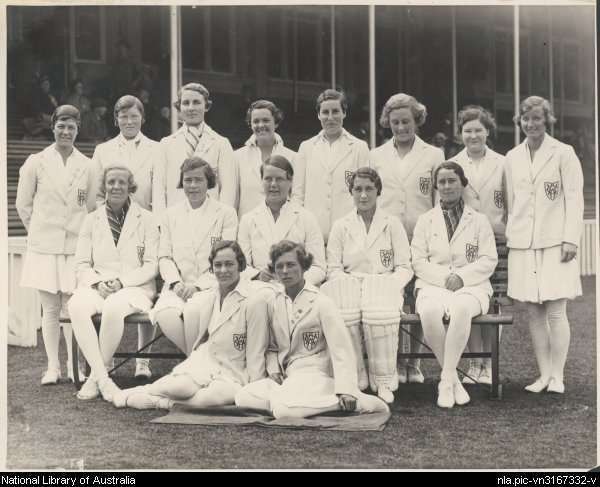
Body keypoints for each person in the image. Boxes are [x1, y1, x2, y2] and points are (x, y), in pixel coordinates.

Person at [234, 241, 389, 418]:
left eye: (291, 265)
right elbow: (272, 346)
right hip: (287, 375)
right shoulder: (275, 301)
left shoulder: (322, 302)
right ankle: (293, 399)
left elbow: (341, 350)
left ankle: (354, 403)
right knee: (243, 397)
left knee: (282, 411)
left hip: (315, 373)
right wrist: (274, 370)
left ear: (304, 267)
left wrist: (347, 390)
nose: (285, 271)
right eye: (279, 266)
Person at [112, 240, 270, 410]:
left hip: (236, 371)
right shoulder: (209, 297)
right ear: (212, 269)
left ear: (241, 265)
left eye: (229, 264)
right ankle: (145, 390)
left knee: (211, 398)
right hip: (206, 362)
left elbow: (256, 350)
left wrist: (255, 388)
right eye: (218, 265)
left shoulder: (254, 301)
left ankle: (160, 402)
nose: (223, 270)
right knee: (178, 388)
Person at [505, 96, 584, 394]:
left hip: (555, 242)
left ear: (547, 120)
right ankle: (543, 374)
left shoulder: (564, 153)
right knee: (534, 313)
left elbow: (574, 199)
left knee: (555, 311)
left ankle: (558, 376)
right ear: (519, 121)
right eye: (526, 119)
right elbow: (513, 201)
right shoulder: (513, 156)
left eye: (537, 118)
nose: (531, 123)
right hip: (524, 243)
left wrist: (570, 239)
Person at [16, 105, 97, 385]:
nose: (66, 132)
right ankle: (53, 367)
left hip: (75, 247)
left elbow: (90, 208)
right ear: (53, 128)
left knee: (71, 308)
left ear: (77, 130)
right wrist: (40, 234)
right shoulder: (35, 162)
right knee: (50, 309)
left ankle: (74, 365)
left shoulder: (87, 165)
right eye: (61, 126)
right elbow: (23, 205)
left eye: (71, 127)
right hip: (44, 247)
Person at [369, 92, 445, 383]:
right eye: (395, 122)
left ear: (417, 121)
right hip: (387, 238)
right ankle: (394, 363)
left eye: (406, 121)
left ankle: (413, 363)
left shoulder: (433, 155)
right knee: (393, 299)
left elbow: (438, 199)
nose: (401, 127)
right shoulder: (376, 155)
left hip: (421, 236)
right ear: (388, 122)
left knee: (420, 296)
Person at [67, 164, 159, 401]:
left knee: (114, 307)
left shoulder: (147, 219)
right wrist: (97, 283)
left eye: (121, 182)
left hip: (135, 288)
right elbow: (81, 264)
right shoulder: (91, 219)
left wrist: (121, 282)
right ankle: (104, 379)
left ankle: (93, 379)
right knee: (76, 305)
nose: (116, 187)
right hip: (98, 284)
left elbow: (151, 265)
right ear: (104, 186)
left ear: (131, 186)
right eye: (111, 182)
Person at [411, 161, 498, 408]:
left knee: (461, 309)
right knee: (428, 311)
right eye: (442, 182)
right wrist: (443, 278)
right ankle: (453, 381)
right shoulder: (425, 220)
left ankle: (445, 380)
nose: (447, 186)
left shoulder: (479, 220)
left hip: (472, 286)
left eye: (452, 181)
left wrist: (462, 277)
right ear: (436, 186)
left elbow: (489, 259)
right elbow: (418, 260)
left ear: (462, 184)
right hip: (433, 285)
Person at [92, 94, 166, 379]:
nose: (129, 121)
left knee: (144, 288)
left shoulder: (157, 149)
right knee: (109, 291)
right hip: (114, 227)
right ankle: (106, 362)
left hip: (145, 226)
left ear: (142, 119)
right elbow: (98, 194)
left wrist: (156, 226)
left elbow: (159, 191)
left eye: (134, 116)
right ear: (116, 120)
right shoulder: (103, 150)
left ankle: (142, 362)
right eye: (123, 116)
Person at [324, 167, 413, 403]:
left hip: (384, 287)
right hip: (350, 286)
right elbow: (332, 268)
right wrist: (347, 283)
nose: (363, 195)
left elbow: (405, 267)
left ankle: (383, 380)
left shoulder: (392, 223)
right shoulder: (340, 225)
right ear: (351, 192)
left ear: (378, 191)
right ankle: (356, 377)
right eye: (358, 189)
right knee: (345, 311)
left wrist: (387, 285)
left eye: (369, 189)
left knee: (378, 315)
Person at [151, 157, 238, 356]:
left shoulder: (226, 213)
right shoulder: (169, 215)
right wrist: (176, 283)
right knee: (164, 314)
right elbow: (164, 257)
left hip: (211, 285)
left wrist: (198, 286)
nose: (192, 185)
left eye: (198, 180)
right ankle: (198, 359)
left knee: (193, 311)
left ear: (209, 182)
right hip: (178, 287)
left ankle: (193, 365)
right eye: (188, 180)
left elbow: (226, 257)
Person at [450, 105, 507, 385]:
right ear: (461, 134)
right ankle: (474, 364)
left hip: (497, 240)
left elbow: (511, 202)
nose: (473, 135)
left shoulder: (503, 162)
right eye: (467, 130)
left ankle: (489, 363)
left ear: (488, 131)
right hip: (467, 240)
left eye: (478, 130)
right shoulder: (454, 163)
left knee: (494, 304)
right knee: (470, 299)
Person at [292, 89, 370, 242]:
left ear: (344, 113)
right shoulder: (306, 147)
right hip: (313, 234)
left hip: (349, 234)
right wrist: (300, 228)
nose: (330, 118)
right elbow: (297, 194)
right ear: (318, 115)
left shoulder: (359, 147)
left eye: (335, 111)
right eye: (325, 112)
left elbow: (365, 194)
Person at [237, 155, 326, 287]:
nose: (273, 184)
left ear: (290, 182)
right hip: (259, 289)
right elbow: (242, 266)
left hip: (298, 290)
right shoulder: (248, 220)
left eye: (279, 179)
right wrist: (257, 275)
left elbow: (319, 267)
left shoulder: (306, 218)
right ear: (261, 181)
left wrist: (297, 280)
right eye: (268, 179)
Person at [159, 82, 237, 208]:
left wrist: (221, 221)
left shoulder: (221, 143)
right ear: (179, 107)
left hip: (211, 217)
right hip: (174, 219)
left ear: (206, 106)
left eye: (196, 102)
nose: (191, 108)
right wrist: (160, 224)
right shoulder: (166, 144)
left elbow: (228, 190)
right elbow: (159, 189)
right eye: (185, 103)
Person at [234, 100, 297, 218]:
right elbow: (234, 198)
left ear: (276, 123)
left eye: (266, 120)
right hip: (247, 229)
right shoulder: (237, 157)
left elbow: (296, 197)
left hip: (282, 227)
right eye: (256, 121)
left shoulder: (293, 157)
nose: (261, 125)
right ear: (250, 124)